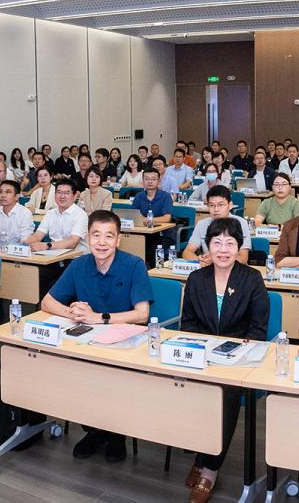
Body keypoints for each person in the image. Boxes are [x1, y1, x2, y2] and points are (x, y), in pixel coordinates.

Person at [42, 210, 153, 462]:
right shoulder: (79, 264)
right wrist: (72, 312)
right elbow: (47, 302)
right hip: (87, 341)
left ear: (118, 239)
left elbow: (142, 314)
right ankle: (94, 431)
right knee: (78, 374)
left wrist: (99, 318)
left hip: (124, 343)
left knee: (113, 378)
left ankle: (116, 435)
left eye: (108, 236)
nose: (102, 242)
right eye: (96, 235)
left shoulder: (134, 265)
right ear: (88, 237)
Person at [179, 218, 270, 503]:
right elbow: (188, 325)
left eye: (230, 243)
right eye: (216, 242)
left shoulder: (251, 279)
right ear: (207, 246)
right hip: (202, 357)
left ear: (239, 247)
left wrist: (234, 355)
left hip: (238, 362)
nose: (223, 249)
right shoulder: (197, 279)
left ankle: (209, 469)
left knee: (224, 395)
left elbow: (258, 329)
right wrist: (203, 353)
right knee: (189, 391)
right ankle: (201, 454)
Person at [182, 186, 251, 264]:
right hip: (209, 268)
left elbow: (243, 258)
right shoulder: (202, 224)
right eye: (211, 205)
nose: (216, 209)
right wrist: (199, 260)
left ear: (230, 205)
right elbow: (187, 252)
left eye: (220, 205)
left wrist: (215, 260)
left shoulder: (241, 223)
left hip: (234, 269)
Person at [25, 179, 87, 252]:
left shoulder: (80, 215)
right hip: (53, 254)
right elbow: (38, 235)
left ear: (75, 196)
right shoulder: (50, 213)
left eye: (67, 193)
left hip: (76, 256)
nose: (62, 196)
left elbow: (73, 242)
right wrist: (23, 244)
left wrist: (47, 245)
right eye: (59, 192)